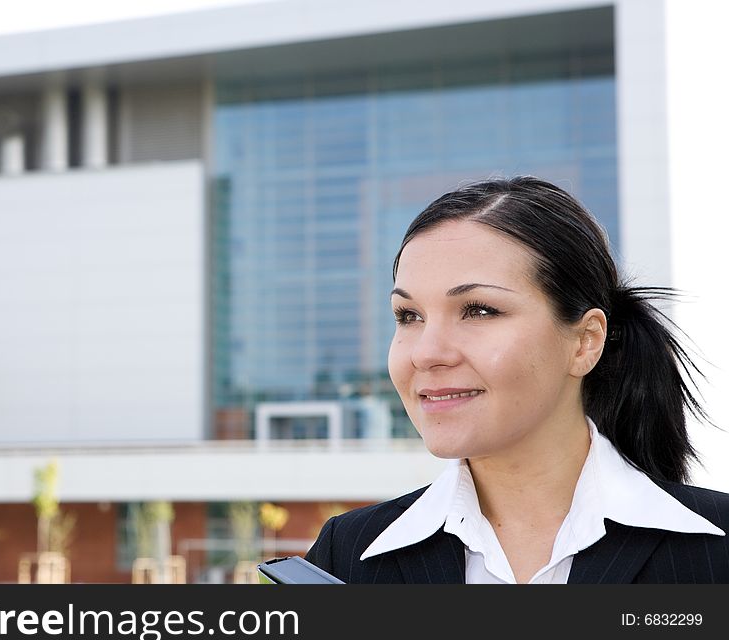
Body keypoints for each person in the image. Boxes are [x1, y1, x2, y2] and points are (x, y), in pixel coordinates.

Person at [305, 176, 729, 584]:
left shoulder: (716, 550)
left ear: (585, 341)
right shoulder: (344, 557)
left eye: (479, 310)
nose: (426, 353)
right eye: (409, 316)